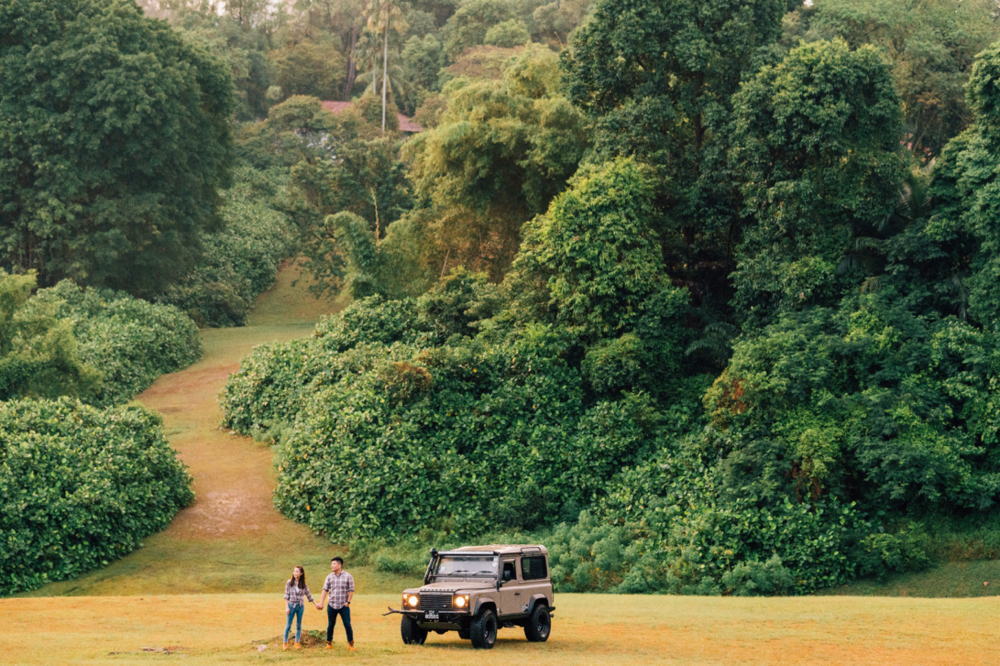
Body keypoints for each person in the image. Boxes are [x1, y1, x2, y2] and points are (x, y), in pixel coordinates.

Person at [317, 556, 355, 651]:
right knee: (330, 624)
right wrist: (321, 602)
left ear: (339, 565)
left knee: (347, 624)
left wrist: (348, 601)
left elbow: (351, 590)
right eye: (331, 564)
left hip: (343, 605)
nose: (332, 566)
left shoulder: (348, 576)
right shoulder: (329, 576)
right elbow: (325, 590)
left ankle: (350, 644)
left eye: (334, 564)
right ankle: (329, 643)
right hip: (332, 605)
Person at [283, 565, 315, 650]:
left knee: (298, 625)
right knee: (288, 625)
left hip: (300, 606)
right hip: (291, 605)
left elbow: (309, 596)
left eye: (297, 571)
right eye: (294, 571)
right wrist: (287, 607)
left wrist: (316, 604)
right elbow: (286, 596)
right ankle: (285, 643)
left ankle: (297, 643)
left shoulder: (304, 584)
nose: (295, 573)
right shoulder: (289, 582)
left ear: (301, 573)